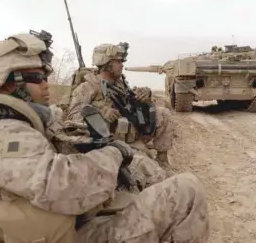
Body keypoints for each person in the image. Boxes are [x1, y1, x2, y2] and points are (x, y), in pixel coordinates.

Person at [0, 32, 247, 243]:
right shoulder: (2, 135)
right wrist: (111, 154)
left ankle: (171, 220)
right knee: (187, 189)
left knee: (144, 168)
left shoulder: (23, 124)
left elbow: (66, 137)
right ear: (7, 81)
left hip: (76, 229)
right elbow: (64, 185)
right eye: (37, 77)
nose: (47, 83)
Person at [67, 43, 175, 175]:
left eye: (122, 61)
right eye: (118, 61)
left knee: (163, 113)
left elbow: (131, 104)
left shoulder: (120, 83)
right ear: (106, 64)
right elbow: (73, 116)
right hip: (112, 142)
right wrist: (100, 114)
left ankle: (162, 160)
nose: (122, 64)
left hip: (134, 132)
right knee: (150, 173)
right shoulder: (88, 87)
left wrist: (145, 95)